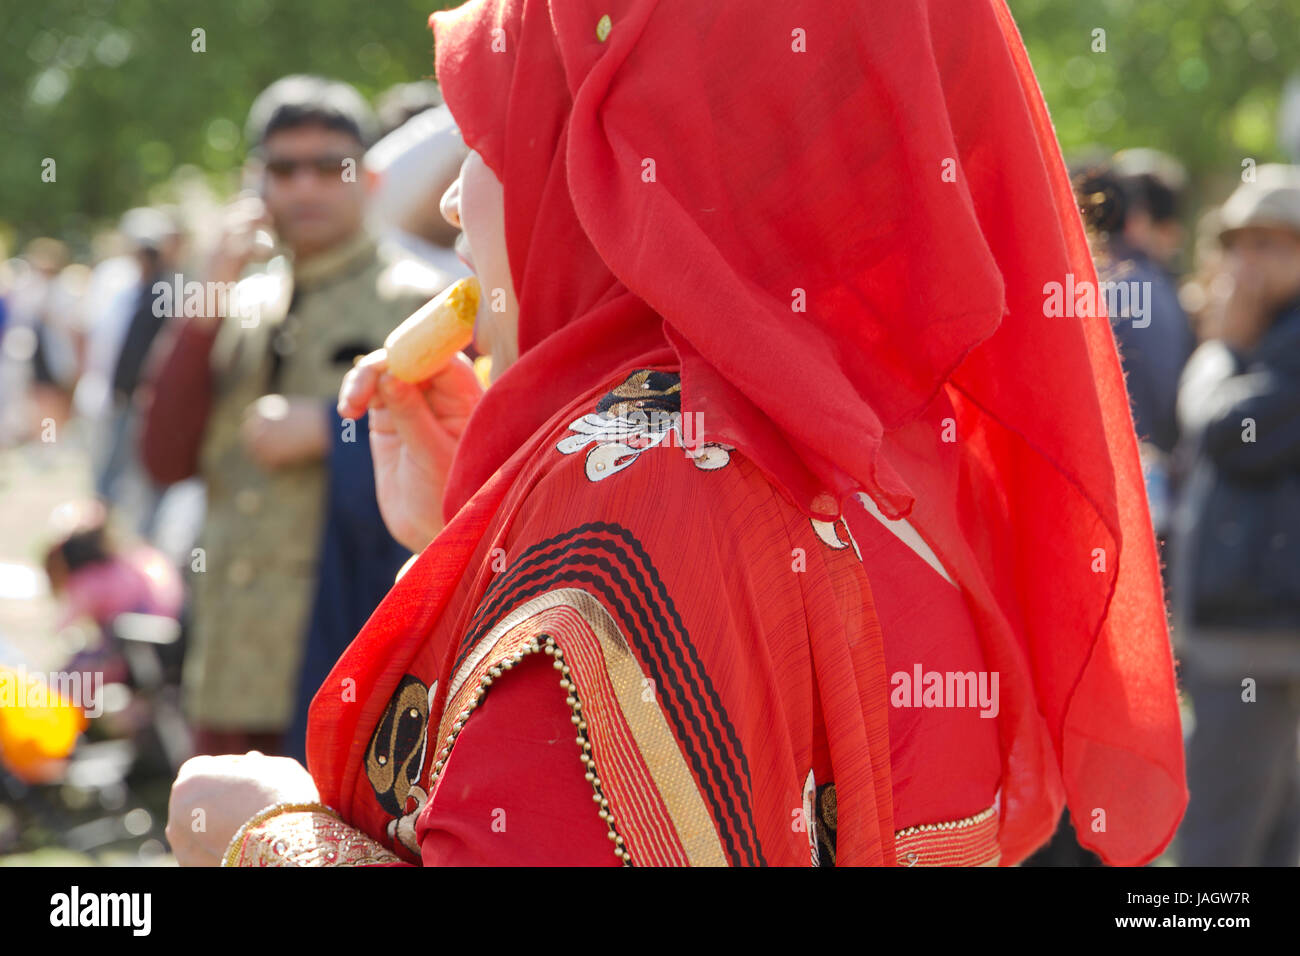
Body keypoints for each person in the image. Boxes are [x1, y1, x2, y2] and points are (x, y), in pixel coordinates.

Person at [167, 0, 1186, 867]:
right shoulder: (906, 460)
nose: (449, 198)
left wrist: (262, 830)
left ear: (620, 171)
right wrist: (475, 538)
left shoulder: (633, 510)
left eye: (494, 135)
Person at [140, 76, 417, 760]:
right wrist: (204, 305)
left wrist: (333, 428)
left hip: (341, 654)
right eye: (284, 168)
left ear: (370, 176)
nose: (305, 188)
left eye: (330, 166)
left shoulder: (416, 302)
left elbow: (460, 458)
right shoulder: (240, 301)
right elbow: (162, 459)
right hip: (229, 661)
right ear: (256, 181)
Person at [1170, 165, 1300, 866]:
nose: (1246, 265)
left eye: (1272, 246)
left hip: (1259, 637)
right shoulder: (1272, 336)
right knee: (1272, 832)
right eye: (1239, 245)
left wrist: (1220, 345)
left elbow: (1228, 429)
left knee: (1218, 848)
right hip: (1256, 631)